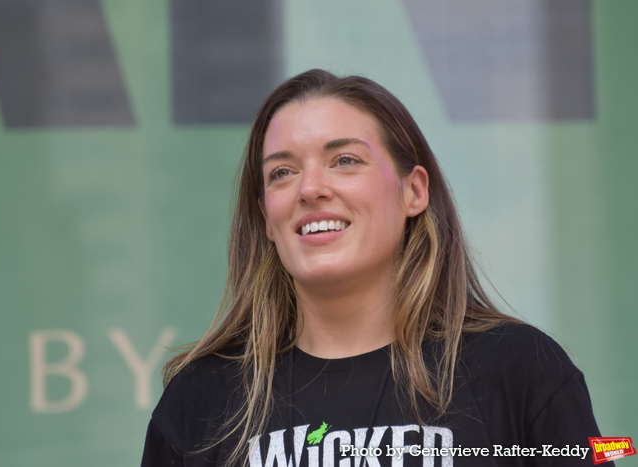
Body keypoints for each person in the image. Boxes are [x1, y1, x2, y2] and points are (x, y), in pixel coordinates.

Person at [141, 69, 608, 466]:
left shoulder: (523, 369)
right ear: (266, 217)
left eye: (344, 160)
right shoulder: (200, 400)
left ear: (414, 192)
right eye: (282, 172)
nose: (310, 189)